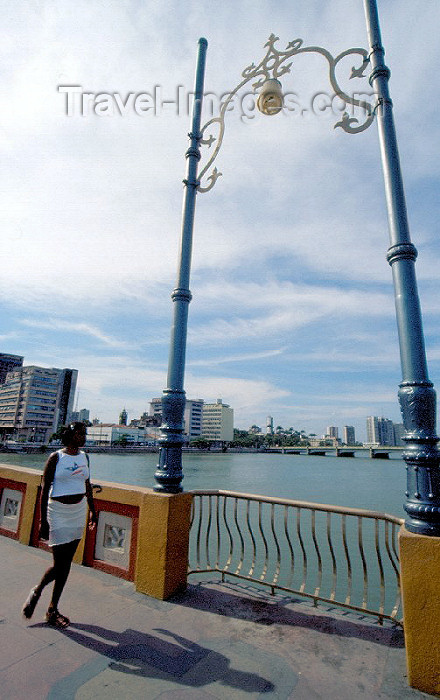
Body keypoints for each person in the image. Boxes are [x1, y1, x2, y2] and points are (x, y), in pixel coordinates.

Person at [22, 422, 97, 628]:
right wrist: (43, 520)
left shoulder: (85, 457)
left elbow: (87, 485)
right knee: (59, 564)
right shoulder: (56, 457)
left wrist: (92, 510)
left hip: (78, 511)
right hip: (58, 512)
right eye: (80, 433)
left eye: (85, 434)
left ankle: (52, 609)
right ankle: (37, 591)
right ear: (70, 435)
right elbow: (45, 489)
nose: (84, 437)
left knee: (66, 564)